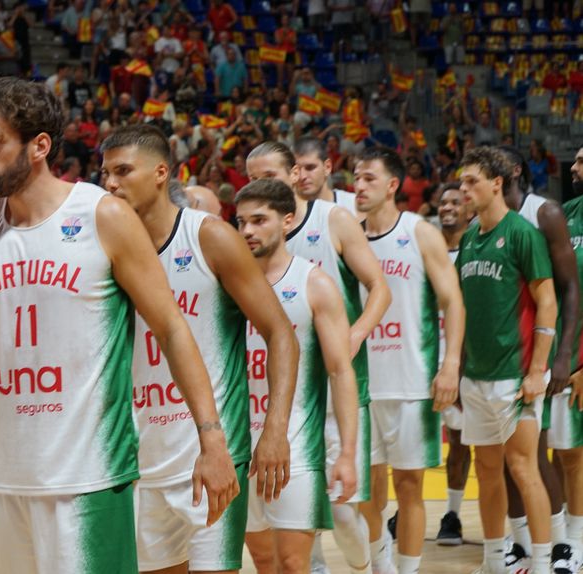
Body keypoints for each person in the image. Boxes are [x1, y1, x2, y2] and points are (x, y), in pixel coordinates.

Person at [0, 77, 239, 573]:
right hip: (6, 482)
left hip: (88, 480)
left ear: (39, 146)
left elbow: (172, 329)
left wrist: (212, 439)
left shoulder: (104, 215)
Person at [100, 125, 299, 574]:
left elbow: (280, 332)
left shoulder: (209, 237)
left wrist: (274, 428)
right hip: (140, 457)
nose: (110, 183)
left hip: (214, 452)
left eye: (123, 170)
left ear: (159, 173)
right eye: (106, 172)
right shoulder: (105, 249)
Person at [246, 141, 392, 574]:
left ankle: (376, 561)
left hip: (334, 387)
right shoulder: (248, 240)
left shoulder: (334, 220)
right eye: (252, 176)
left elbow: (380, 288)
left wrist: (356, 333)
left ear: (294, 174)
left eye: (269, 175)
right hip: (278, 403)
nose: (259, 184)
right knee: (290, 532)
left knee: (345, 511)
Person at [236, 178, 359, 574]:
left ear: (287, 220)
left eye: (259, 220)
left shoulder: (315, 283)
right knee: (262, 560)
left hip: (297, 446)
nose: (248, 231)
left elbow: (341, 372)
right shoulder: (229, 285)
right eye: (241, 222)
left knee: (292, 563)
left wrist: (346, 453)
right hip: (240, 446)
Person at [354, 147, 465, 574]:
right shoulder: (349, 236)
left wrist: (450, 364)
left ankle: (408, 570)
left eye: (368, 178)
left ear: (392, 185)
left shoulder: (419, 232)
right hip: (361, 383)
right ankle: (381, 566)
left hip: (411, 382)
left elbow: (453, 301)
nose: (359, 186)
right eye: (356, 178)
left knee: (409, 486)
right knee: (367, 490)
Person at [457, 146, 557, 574]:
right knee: (487, 469)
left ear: (496, 183)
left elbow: (547, 301)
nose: (463, 189)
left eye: (471, 181)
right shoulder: (467, 238)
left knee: (524, 467)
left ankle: (543, 563)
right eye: (461, 182)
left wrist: (538, 370)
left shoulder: (521, 233)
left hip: (515, 375)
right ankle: (494, 560)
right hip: (476, 375)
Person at [499, 144, 580, 572]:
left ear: (509, 172)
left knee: (542, 453)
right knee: (505, 457)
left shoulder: (544, 213)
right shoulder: (484, 223)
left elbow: (568, 288)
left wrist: (563, 355)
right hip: (501, 358)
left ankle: (563, 544)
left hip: (541, 354)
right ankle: (519, 543)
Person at [435, 183, 474, 547]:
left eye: (455, 201)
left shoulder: (474, 248)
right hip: (422, 354)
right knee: (416, 438)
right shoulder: (426, 248)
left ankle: (453, 514)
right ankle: (406, 510)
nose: (447, 206)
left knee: (460, 441)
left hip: (460, 357)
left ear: (469, 209)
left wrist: (459, 362)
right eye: (442, 201)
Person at [561, 145, 583, 559]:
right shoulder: (567, 213)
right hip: (570, 353)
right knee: (570, 453)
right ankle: (574, 543)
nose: (574, 168)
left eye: (582, 160)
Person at [294, 136, 357, 215]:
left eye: (310, 168)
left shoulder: (353, 205)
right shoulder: (286, 213)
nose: (302, 176)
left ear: (327, 167)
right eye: (296, 170)